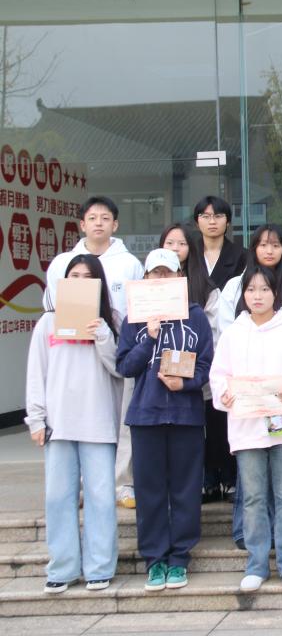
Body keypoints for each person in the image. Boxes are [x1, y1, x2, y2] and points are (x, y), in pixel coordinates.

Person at [115, 249, 214, 593]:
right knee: (150, 491)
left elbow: (206, 365)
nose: (160, 279)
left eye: (167, 273)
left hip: (186, 416)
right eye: (154, 273)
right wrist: (151, 337)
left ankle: (179, 557)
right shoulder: (134, 318)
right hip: (146, 416)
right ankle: (155, 559)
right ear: (145, 279)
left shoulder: (195, 316)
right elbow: (125, 366)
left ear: (179, 277)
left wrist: (184, 384)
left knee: (186, 490)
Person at [210, 265, 282, 592]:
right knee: (253, 498)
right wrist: (224, 395)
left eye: (264, 289)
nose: (257, 296)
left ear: (275, 293)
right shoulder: (234, 333)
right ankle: (256, 564)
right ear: (243, 295)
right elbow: (219, 375)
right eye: (251, 290)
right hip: (247, 427)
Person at [26, 254, 122, 594]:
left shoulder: (111, 320)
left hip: (98, 422)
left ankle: (99, 566)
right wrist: (36, 418)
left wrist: (103, 336)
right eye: (74, 276)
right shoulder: (48, 323)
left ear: (99, 283)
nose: (80, 281)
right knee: (58, 497)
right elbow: (36, 372)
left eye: (88, 276)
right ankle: (63, 567)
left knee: (100, 498)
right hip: (59, 424)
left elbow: (120, 369)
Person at [42, 196, 144, 511]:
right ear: (82, 224)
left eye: (105, 218)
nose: (98, 223)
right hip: (73, 350)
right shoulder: (63, 263)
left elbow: (138, 307)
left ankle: (122, 482)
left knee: (120, 419)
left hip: (118, 349)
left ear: (115, 224)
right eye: (92, 217)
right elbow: (51, 307)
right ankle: (78, 485)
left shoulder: (129, 263)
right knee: (76, 418)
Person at [160, 223, 225, 504]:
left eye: (181, 243)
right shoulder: (148, 287)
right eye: (169, 243)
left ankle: (207, 480)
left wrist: (200, 365)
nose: (175, 249)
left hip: (198, 370)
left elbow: (215, 333)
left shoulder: (204, 286)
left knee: (204, 427)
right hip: (160, 374)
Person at [219, 224, 282, 335]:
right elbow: (226, 330)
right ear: (254, 248)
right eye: (263, 245)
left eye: (276, 246)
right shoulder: (234, 285)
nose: (269, 251)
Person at [193, 196, 246, 290]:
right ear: (197, 223)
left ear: (228, 222)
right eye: (205, 217)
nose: (212, 222)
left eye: (218, 216)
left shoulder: (243, 256)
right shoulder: (189, 254)